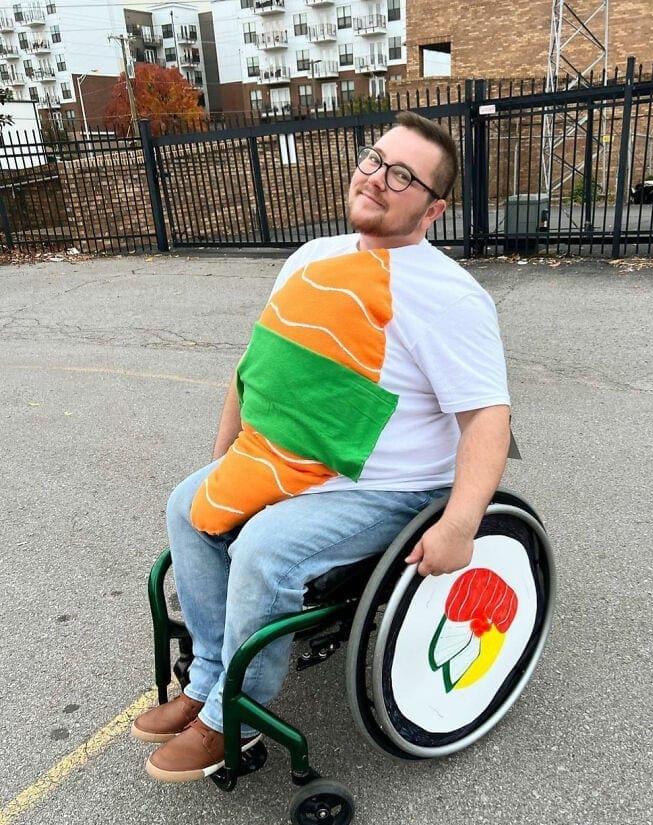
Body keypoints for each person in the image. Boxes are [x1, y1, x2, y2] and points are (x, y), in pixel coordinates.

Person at [131, 111, 512, 782]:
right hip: (290, 461)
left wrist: (460, 525)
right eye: (375, 159)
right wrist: (224, 461)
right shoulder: (310, 258)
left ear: (433, 210)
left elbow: (488, 418)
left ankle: (237, 715)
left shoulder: (452, 297)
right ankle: (211, 677)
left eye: (404, 176)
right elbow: (257, 367)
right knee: (188, 506)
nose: (378, 178)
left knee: (264, 547)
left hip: (386, 488)